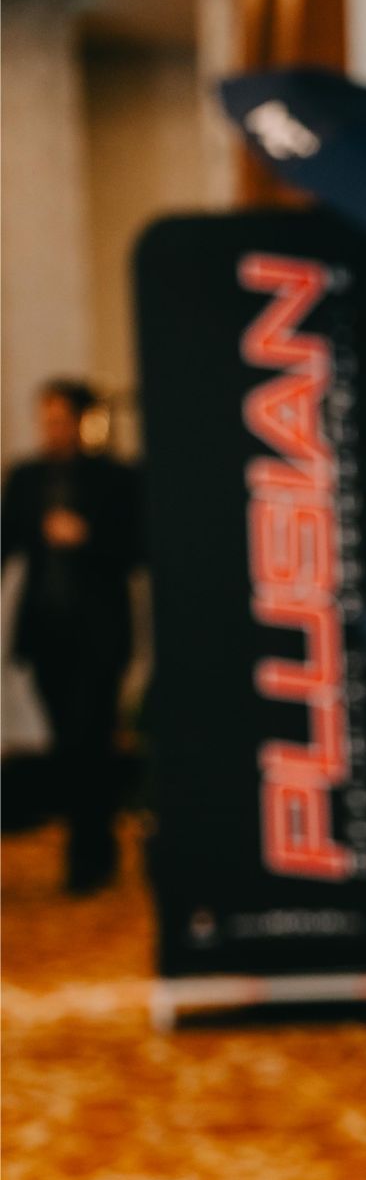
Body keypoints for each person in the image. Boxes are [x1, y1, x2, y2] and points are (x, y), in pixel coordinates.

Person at [1, 380, 143, 892]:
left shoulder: (116, 480)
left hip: (99, 635)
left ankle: (92, 854)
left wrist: (88, 538)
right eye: (47, 420)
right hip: (45, 634)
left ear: (83, 421)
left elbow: (139, 549)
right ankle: (84, 851)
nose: (52, 430)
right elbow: (6, 543)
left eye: (60, 420)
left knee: (91, 740)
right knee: (66, 743)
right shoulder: (27, 478)